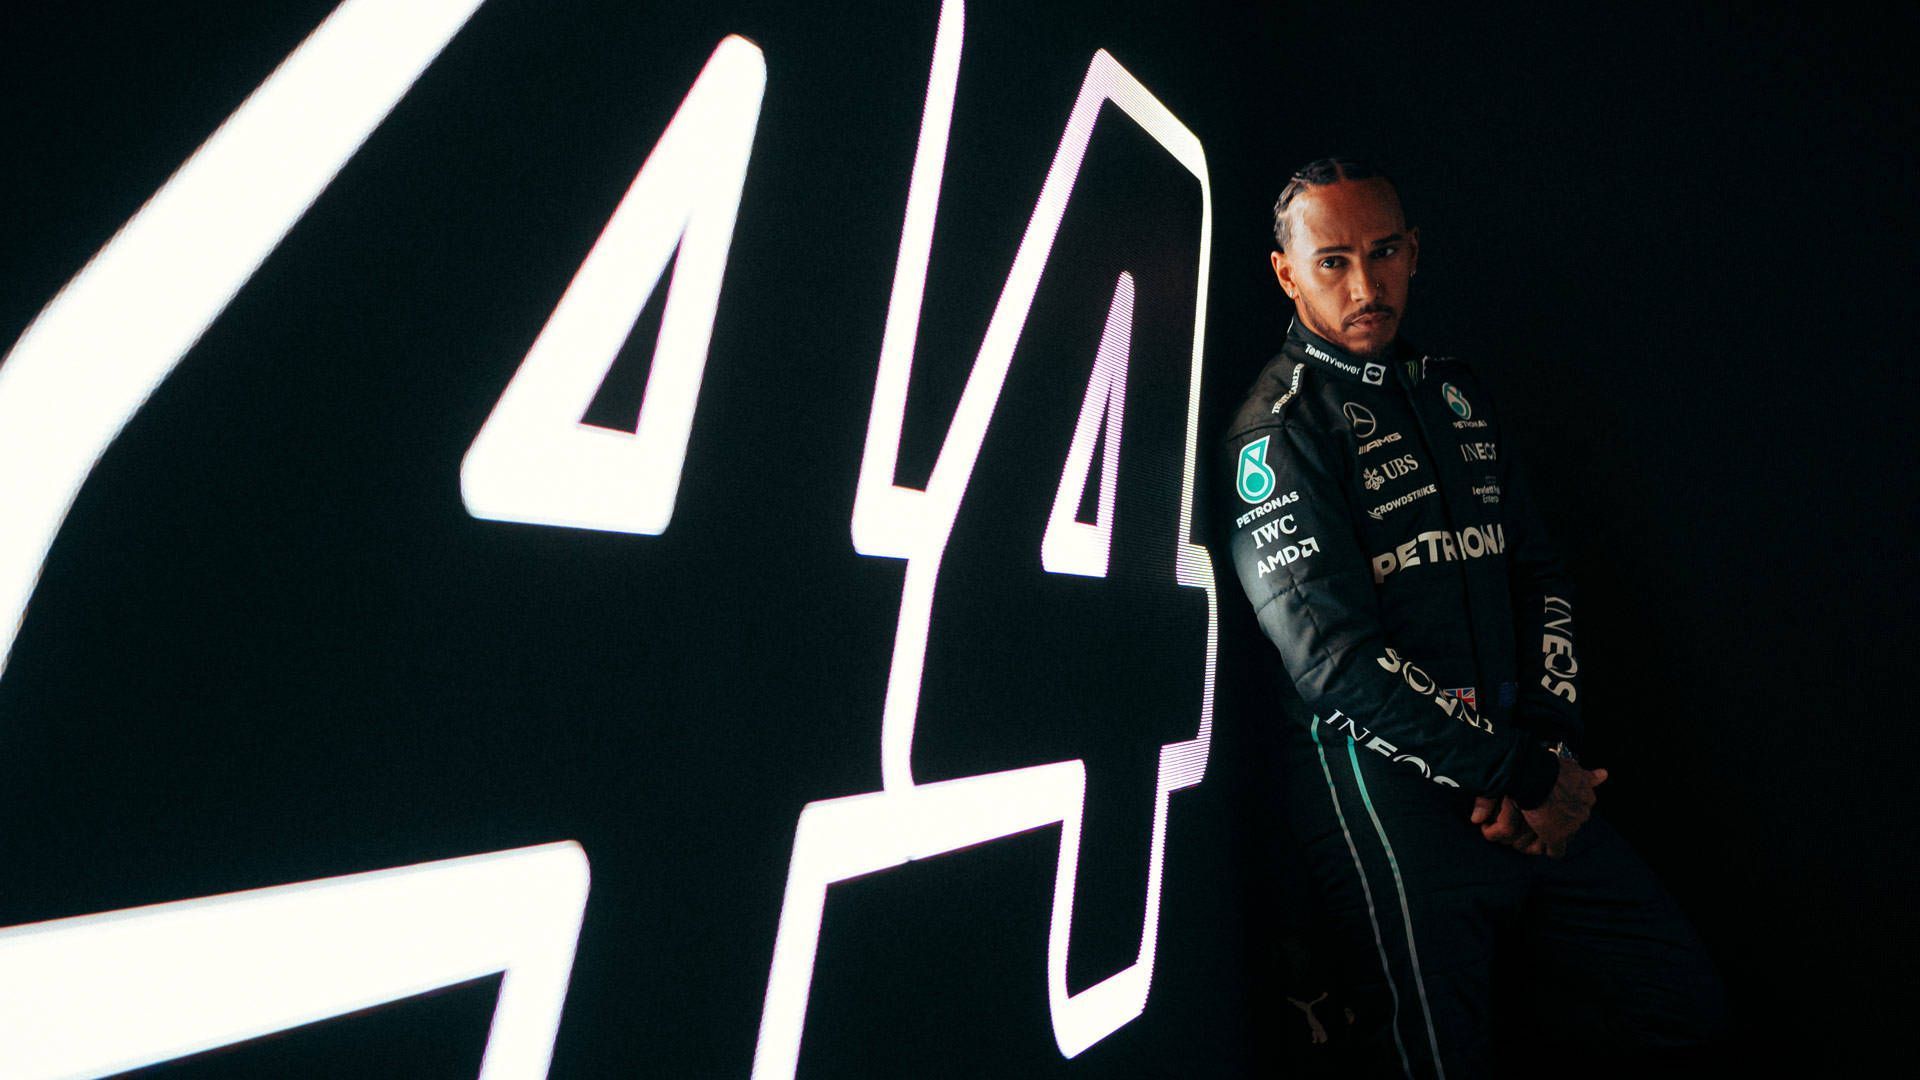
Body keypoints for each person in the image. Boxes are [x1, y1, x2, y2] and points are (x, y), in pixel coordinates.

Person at [1221, 158, 1726, 1077]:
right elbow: (1332, 661)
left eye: (1384, 253)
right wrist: (1521, 772)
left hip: (1529, 780)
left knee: (1678, 1001)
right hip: (1391, 801)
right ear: (1287, 274)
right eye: (1332, 262)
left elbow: (1539, 576)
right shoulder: (1281, 429)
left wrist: (1550, 746)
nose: (1367, 286)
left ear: (1415, 253)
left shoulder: (1456, 393)